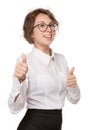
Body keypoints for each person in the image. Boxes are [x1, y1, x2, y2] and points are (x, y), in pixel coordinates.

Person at [8, 8, 80, 130]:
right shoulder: (25, 61)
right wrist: (19, 80)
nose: (49, 29)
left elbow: (74, 100)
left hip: (56, 124)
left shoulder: (61, 59)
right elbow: (14, 108)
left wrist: (73, 86)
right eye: (42, 25)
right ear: (31, 32)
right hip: (33, 125)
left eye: (51, 25)